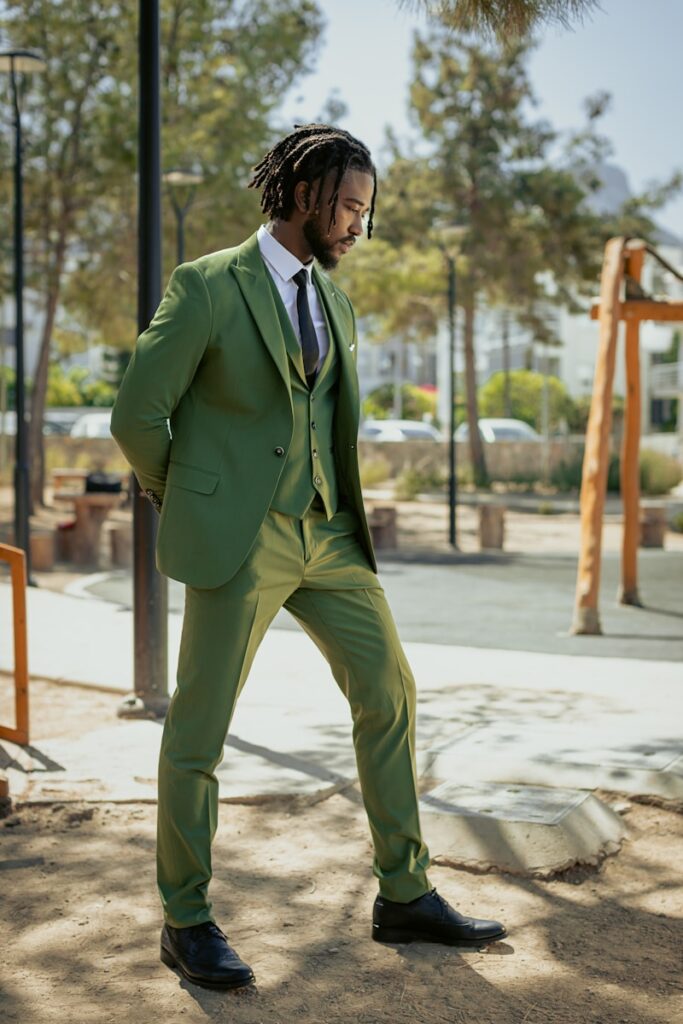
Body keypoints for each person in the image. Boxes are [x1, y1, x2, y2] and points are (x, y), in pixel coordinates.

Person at [110, 123, 506, 992]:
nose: (360, 225)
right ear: (304, 197)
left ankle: (403, 891)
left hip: (327, 536)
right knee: (199, 731)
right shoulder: (209, 285)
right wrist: (193, 498)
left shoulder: (337, 304)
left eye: (367, 209)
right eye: (351, 207)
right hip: (240, 541)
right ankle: (185, 919)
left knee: (388, 689)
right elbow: (138, 414)